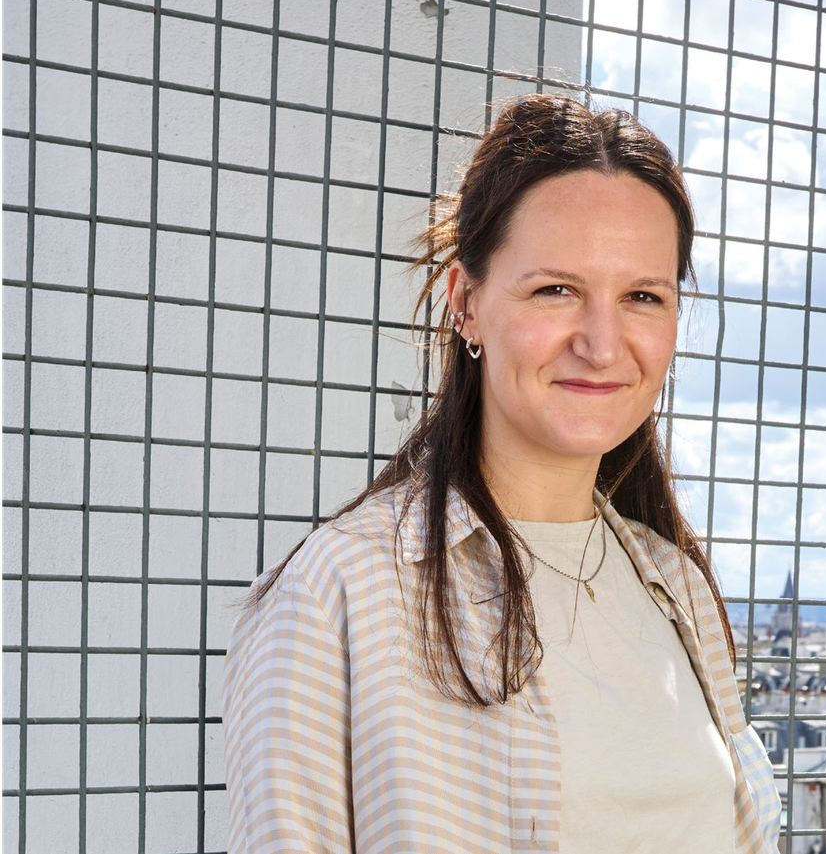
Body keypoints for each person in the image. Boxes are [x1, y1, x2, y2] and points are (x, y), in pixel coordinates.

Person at [222, 93, 782, 853]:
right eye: (557, 289)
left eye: (643, 297)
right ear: (466, 303)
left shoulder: (677, 586)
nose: (602, 342)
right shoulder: (341, 595)